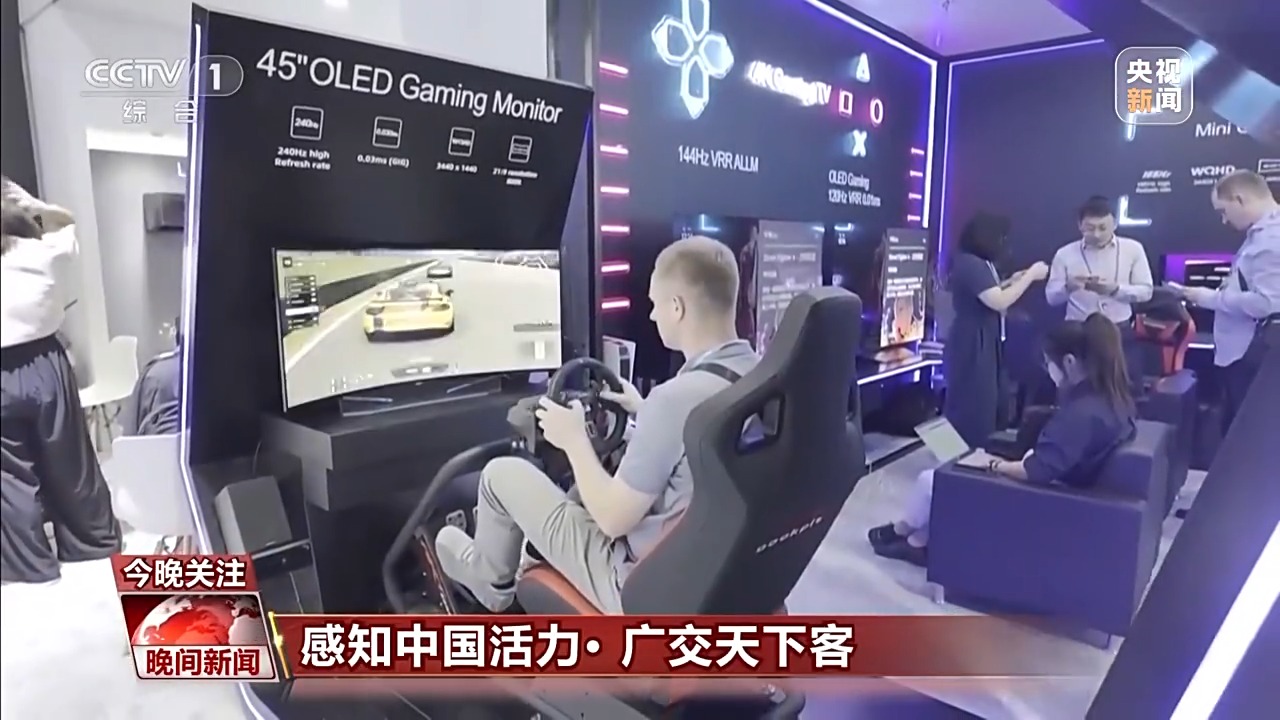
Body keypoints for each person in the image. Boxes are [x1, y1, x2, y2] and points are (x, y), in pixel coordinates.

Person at [435, 236, 759, 613]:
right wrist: (643, 412)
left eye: (655, 304)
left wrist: (574, 439)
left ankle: (492, 585)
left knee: (500, 474)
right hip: (711, 572)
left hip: (639, 588)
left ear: (677, 307)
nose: (652, 316)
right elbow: (696, 450)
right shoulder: (757, 376)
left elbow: (611, 519)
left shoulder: (673, 401)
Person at [870, 313, 1138, 566]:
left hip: (1039, 503)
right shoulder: (1114, 401)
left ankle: (903, 530)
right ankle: (917, 541)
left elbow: (1035, 472)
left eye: (1049, 363)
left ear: (1069, 362)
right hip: (1064, 492)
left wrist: (993, 465)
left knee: (930, 480)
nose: (1049, 371)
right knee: (956, 466)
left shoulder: (1081, 416)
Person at [1, 179, 122, 584]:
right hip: (45, 364)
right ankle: (92, 545)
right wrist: (32, 204)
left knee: (9, 476)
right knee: (69, 459)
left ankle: (29, 566)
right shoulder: (44, 252)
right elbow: (65, 220)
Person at [1169, 170, 1280, 432]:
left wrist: (1207, 297)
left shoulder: (1272, 240)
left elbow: (1268, 304)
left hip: (1252, 353)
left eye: (1224, 211)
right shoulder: (1261, 235)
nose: (1224, 220)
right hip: (1245, 352)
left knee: (1246, 433)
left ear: (1239, 199)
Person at [943, 212, 1048, 447]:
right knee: (973, 403)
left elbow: (991, 291)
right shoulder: (970, 264)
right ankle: (960, 453)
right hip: (973, 341)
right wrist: (1030, 276)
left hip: (986, 338)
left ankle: (981, 449)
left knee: (990, 400)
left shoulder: (980, 263)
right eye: (1001, 238)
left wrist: (1013, 280)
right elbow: (998, 301)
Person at [1046, 196, 1154, 384]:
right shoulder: (1064, 254)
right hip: (1079, 333)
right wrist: (1068, 288)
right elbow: (1051, 297)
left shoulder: (1133, 249)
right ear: (1080, 226)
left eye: (1103, 228)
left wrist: (1115, 290)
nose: (1096, 234)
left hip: (1119, 331)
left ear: (1115, 223)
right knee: (1080, 389)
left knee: (1126, 387)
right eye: (1090, 228)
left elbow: (1146, 291)